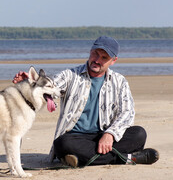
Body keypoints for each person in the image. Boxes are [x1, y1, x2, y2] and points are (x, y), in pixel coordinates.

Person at [13, 36, 159, 167]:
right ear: (90, 51)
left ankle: (80, 158)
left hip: (104, 135)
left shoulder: (119, 82)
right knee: (62, 144)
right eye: (95, 53)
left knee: (139, 134)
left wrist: (110, 135)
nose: (97, 60)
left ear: (113, 61)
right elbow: (51, 87)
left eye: (104, 57)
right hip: (75, 138)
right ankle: (126, 158)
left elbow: (127, 113)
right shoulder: (70, 75)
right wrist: (31, 82)